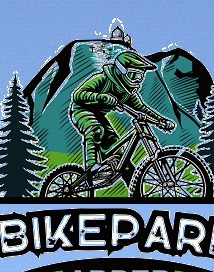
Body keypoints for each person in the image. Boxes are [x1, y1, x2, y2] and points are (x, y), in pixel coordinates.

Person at [65, 24, 169, 188]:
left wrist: (161, 121)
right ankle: (91, 167)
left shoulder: (128, 92)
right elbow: (78, 95)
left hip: (99, 115)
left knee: (120, 155)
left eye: (140, 77)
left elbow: (142, 108)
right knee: (95, 129)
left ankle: (134, 190)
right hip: (81, 110)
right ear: (122, 71)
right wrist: (103, 97)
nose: (137, 80)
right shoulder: (103, 79)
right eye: (133, 75)